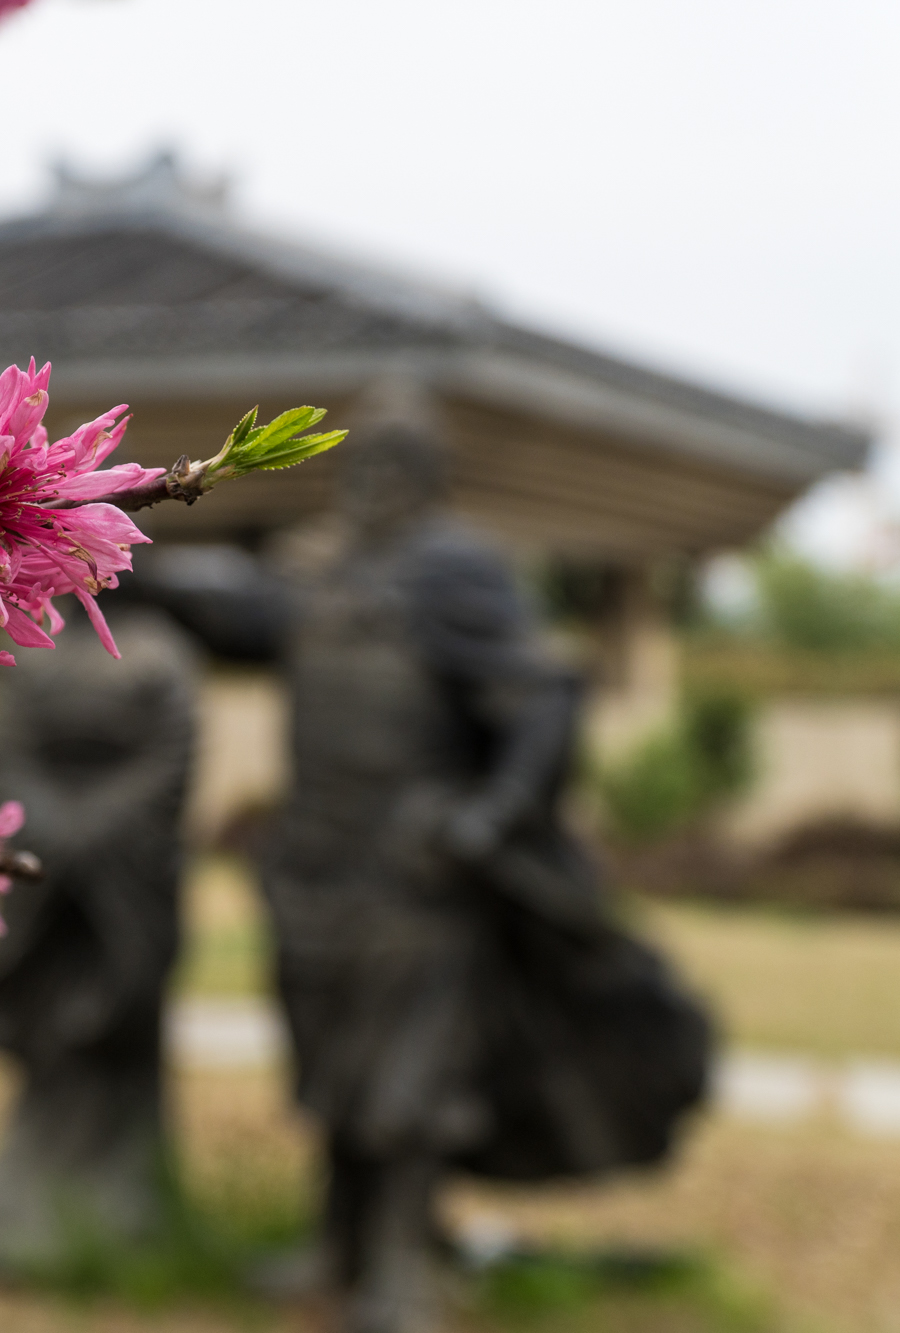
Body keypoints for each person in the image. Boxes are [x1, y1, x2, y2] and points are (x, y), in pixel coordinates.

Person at [160, 415, 713, 1332]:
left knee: (412, 1069)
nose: (369, 484)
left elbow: (539, 699)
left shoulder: (456, 570)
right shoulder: (319, 568)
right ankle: (337, 1242)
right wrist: (110, 552)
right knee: (331, 1059)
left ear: (427, 477)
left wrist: (485, 815)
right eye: (360, 466)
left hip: (413, 868)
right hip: (315, 861)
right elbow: (242, 610)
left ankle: (401, 1260)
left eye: (393, 466)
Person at [0, 601, 198, 1276]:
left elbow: (172, 757)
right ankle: (24, 1181)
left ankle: (123, 1196)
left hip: (126, 870)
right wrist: (53, 827)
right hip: (45, 858)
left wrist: (95, 828)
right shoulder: (31, 645)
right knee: (48, 1018)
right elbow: (4, 748)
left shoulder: (159, 651)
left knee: (111, 1021)